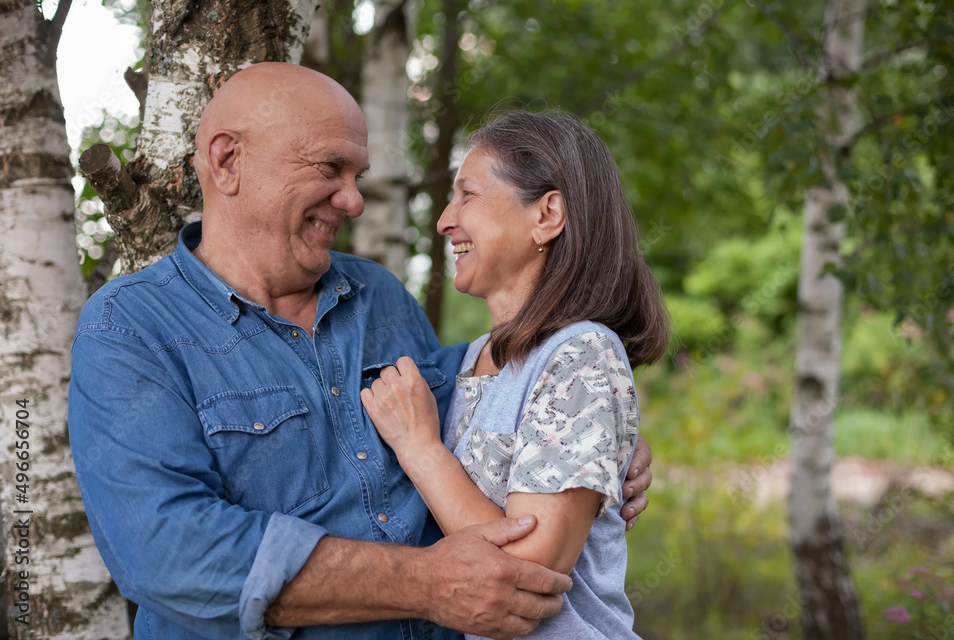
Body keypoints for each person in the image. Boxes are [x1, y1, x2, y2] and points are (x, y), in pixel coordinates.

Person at [67, 62, 652, 640]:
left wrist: (595, 435)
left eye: (359, 176)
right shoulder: (129, 327)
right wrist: (425, 583)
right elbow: (168, 552)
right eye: (331, 167)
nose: (353, 201)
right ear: (228, 162)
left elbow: (491, 401)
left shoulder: (378, 296)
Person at [361, 111, 669, 638]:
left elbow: (528, 571)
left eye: (468, 195)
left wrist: (421, 449)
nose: (444, 220)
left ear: (548, 214)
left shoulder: (583, 353)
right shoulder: (470, 358)